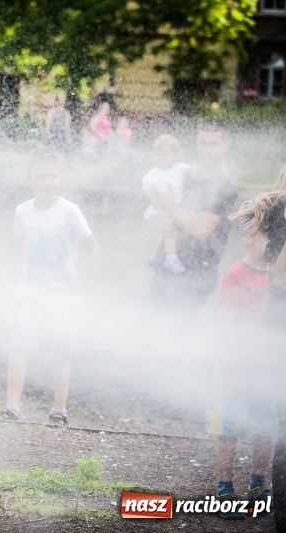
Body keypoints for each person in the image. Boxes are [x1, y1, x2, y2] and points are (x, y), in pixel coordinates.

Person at [3, 151, 99, 427]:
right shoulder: (22, 211)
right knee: (19, 347)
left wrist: (78, 277)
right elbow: (19, 250)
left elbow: (93, 248)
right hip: (30, 292)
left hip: (62, 294)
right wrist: (10, 273)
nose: (46, 182)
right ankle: (12, 407)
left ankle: (59, 409)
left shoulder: (70, 210)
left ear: (61, 178)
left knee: (61, 351)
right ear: (29, 178)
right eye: (40, 176)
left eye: (52, 176)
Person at [207, 191, 281, 518]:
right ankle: (225, 488)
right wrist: (224, 363)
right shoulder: (236, 275)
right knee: (230, 427)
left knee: (266, 426)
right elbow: (223, 324)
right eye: (271, 236)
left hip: (267, 370)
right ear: (249, 236)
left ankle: (258, 483)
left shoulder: (278, 277)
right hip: (235, 368)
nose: (277, 244)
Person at [144, 121, 239, 308]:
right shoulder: (184, 174)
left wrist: (171, 207)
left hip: (197, 271)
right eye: (202, 143)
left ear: (226, 145)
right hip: (168, 263)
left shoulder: (225, 186)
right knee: (146, 325)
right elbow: (155, 211)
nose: (206, 149)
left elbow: (201, 228)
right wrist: (158, 222)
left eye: (213, 144)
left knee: (176, 330)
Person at [142, 134, 198, 275]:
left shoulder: (180, 168)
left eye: (166, 155)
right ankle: (171, 258)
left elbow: (193, 170)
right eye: (158, 155)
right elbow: (147, 189)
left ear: (175, 155)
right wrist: (160, 199)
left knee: (165, 236)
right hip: (159, 209)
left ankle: (155, 257)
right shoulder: (153, 173)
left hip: (174, 207)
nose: (162, 158)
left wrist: (199, 170)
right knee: (170, 232)